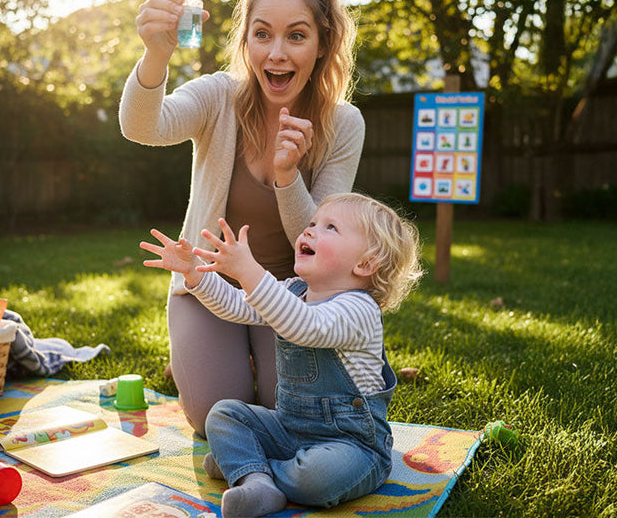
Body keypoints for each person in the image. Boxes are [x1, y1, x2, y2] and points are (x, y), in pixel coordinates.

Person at [119, 0, 364, 436]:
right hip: (207, 285)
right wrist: (154, 56)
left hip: (290, 297)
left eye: (296, 36)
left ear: (323, 43)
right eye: (262, 34)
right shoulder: (218, 97)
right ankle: (214, 356)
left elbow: (316, 243)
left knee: (292, 420)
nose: (276, 53)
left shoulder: (343, 124)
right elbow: (143, 127)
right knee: (215, 421)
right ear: (246, 39)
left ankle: (246, 356)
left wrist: (287, 176)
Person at [140, 192, 424, 517]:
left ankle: (246, 461)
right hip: (289, 429)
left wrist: (250, 271)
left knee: (316, 479)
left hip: (352, 445)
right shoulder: (294, 291)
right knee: (223, 414)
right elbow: (236, 305)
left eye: (330, 227)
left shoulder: (359, 309)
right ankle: (256, 482)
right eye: (313, 222)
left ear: (365, 264)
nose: (310, 230)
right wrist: (195, 273)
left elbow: (306, 326)